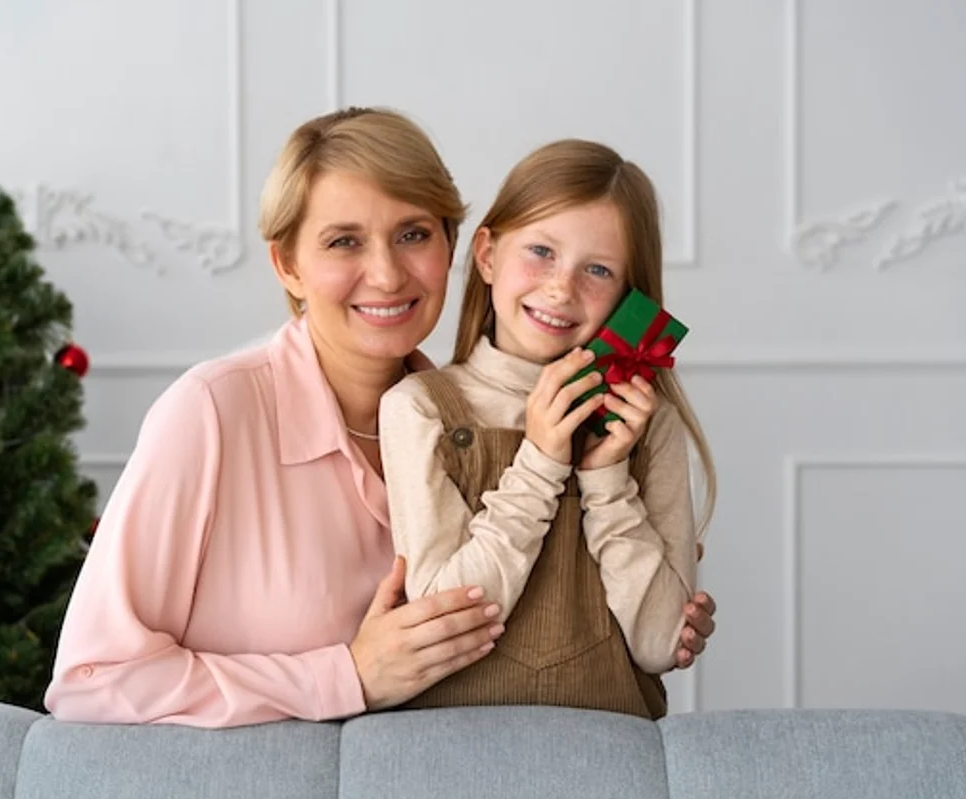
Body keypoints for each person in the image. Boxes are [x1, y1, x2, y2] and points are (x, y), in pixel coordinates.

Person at [43, 108, 717, 730]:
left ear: (454, 247)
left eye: (413, 234)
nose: (388, 274)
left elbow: (632, 627)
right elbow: (91, 681)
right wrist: (348, 674)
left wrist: (644, 566)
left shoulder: (476, 421)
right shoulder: (211, 416)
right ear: (288, 264)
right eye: (343, 241)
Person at [380, 138, 716, 719]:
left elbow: (662, 643)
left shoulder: (647, 425)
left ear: (628, 297)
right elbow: (442, 615)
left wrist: (607, 478)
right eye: (541, 251)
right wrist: (539, 460)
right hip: (447, 752)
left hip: (613, 755)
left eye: (598, 270)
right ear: (487, 255)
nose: (562, 288)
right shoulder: (420, 409)